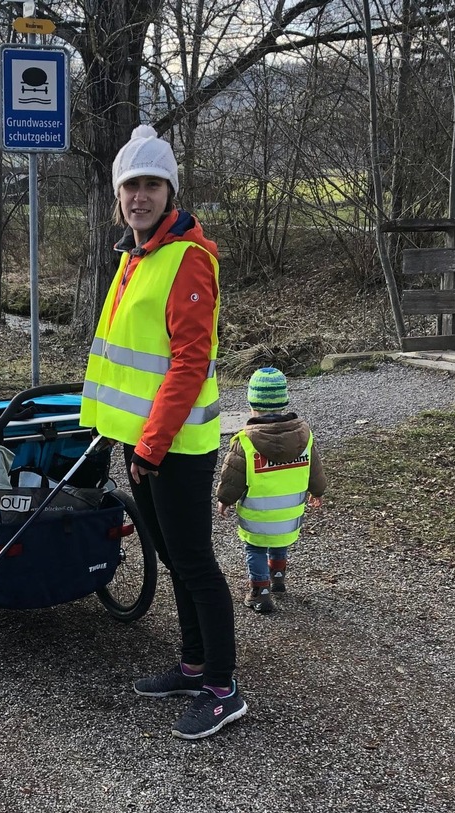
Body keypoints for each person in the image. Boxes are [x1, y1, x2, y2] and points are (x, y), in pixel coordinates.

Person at [80, 124, 245, 740]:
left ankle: (223, 688)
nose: (140, 195)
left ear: (169, 192)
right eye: (131, 185)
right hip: (142, 442)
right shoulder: (136, 255)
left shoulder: (187, 259)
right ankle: (194, 663)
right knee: (174, 558)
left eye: (151, 185)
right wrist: (121, 434)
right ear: (119, 195)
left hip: (176, 446)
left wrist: (150, 446)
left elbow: (189, 362)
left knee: (195, 562)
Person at [216, 367, 326, 614]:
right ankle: (277, 578)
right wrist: (317, 492)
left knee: (255, 548)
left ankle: (260, 592)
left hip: (257, 517)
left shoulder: (245, 441)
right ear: (285, 402)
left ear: (252, 405)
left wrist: (224, 499)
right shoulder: (304, 438)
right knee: (278, 541)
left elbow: (232, 477)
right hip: (289, 517)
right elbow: (315, 470)